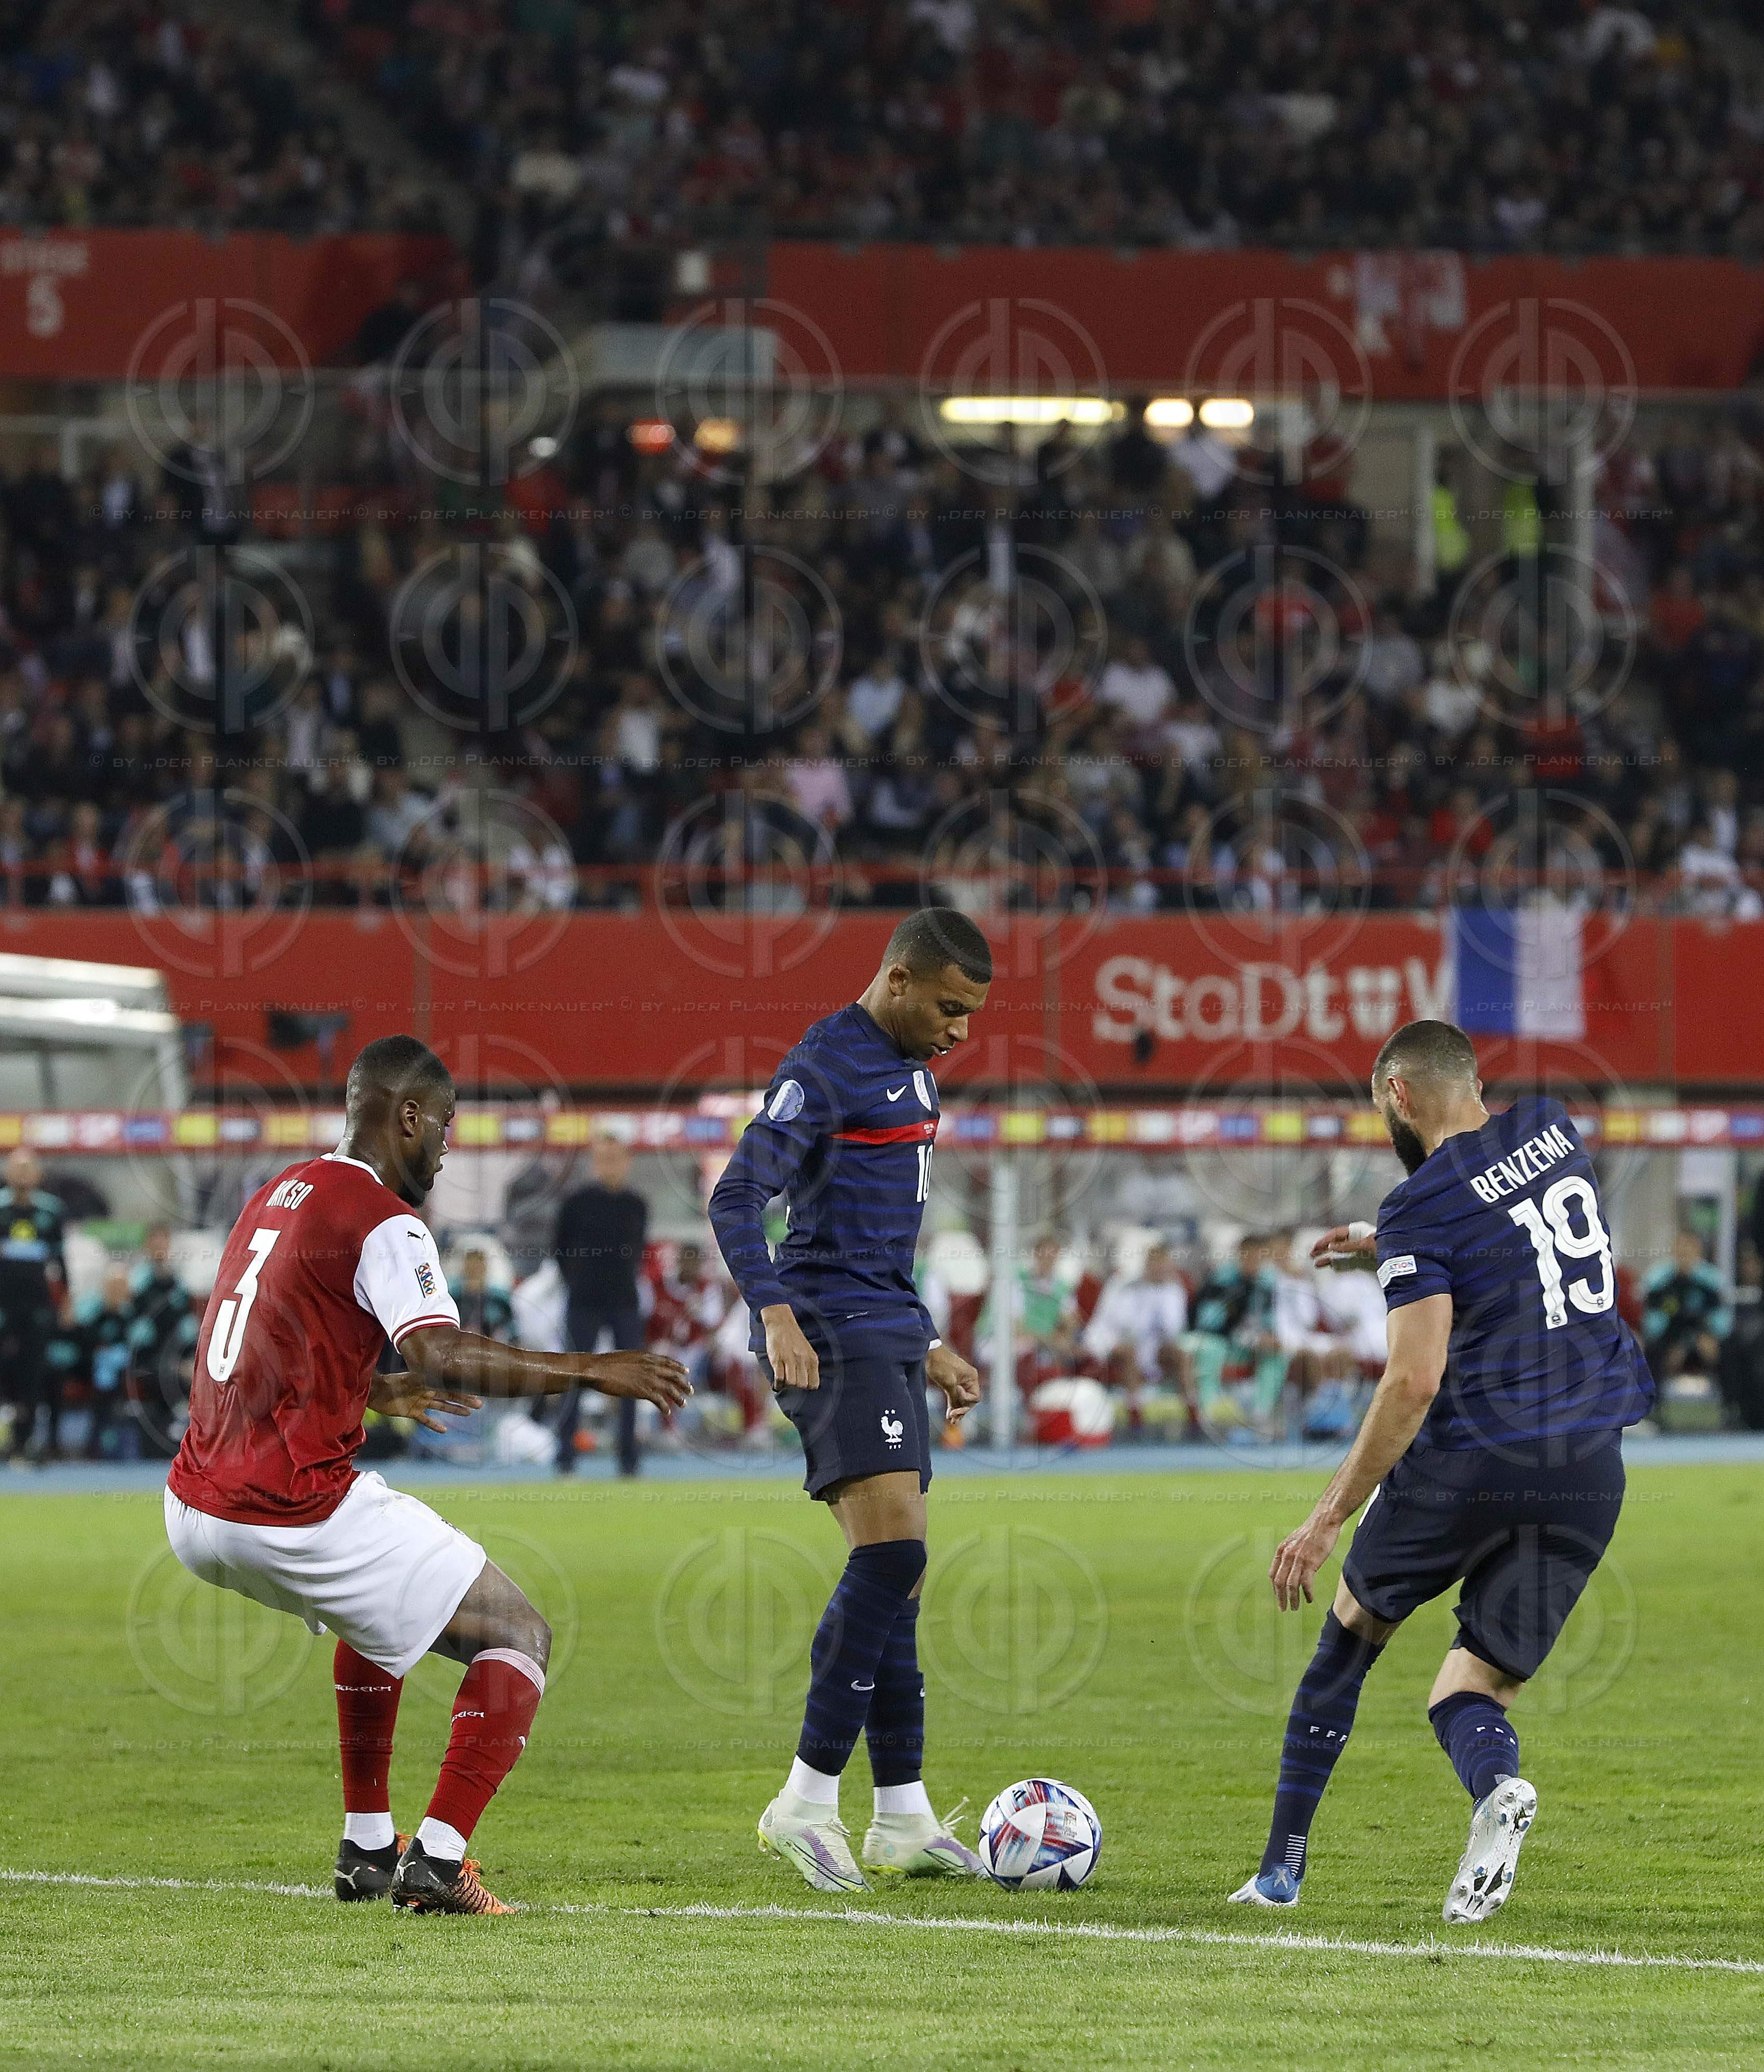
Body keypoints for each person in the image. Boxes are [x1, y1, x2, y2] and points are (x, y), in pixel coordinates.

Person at [163, 1035, 689, 1914]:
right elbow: (441, 1347)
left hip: (193, 1505)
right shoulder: (381, 1217)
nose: (447, 1146)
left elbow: (258, 1340)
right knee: (518, 1632)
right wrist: (592, 1370)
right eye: (444, 1125)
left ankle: (369, 1844)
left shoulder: (276, 1195)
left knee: (377, 1612)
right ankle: (440, 1859)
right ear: (408, 1115)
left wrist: (370, 1389)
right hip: (287, 1505)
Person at [1228, 1021, 1654, 1923]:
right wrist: (1385, 1241)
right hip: (1587, 1464)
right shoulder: (1552, 1126)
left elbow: (1414, 1379)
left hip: (1473, 1456)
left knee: (1348, 1641)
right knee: (1472, 1684)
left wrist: (1326, 1515)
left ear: (1395, 1093)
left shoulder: (1419, 1202)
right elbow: (1511, 1241)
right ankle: (1496, 1788)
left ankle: (1278, 1872)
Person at [708, 908, 988, 1892]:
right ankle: (806, 1800)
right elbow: (736, 1195)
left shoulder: (912, 1068)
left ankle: (903, 1817)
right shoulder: (825, 1064)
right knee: (894, 1554)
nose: (958, 1031)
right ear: (899, 978)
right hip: (827, 1334)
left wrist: (932, 1343)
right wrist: (776, 1312)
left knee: (897, 1583)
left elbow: (873, 1239)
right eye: (948, 1007)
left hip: (883, 1330)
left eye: (971, 1015)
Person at [552, 1133, 649, 1477]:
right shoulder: (577, 1203)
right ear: (595, 1163)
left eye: (616, 1158)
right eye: (603, 1158)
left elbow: (639, 1250)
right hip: (584, 1301)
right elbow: (559, 1247)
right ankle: (565, 1457)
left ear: (627, 1162)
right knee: (575, 1379)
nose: (610, 1165)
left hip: (624, 1301)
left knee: (631, 1381)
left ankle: (629, 1458)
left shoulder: (637, 1204)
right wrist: (575, 1281)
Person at [0, 1148, 69, 1461]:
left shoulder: (51, 1211)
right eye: (17, 1169)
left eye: (29, 1169)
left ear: (38, 1175)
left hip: (37, 1308)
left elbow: (60, 1262)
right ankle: (8, 1438)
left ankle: (30, 1442)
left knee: (35, 1374)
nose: (23, 1175)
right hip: (4, 1306)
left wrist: (66, 1302)